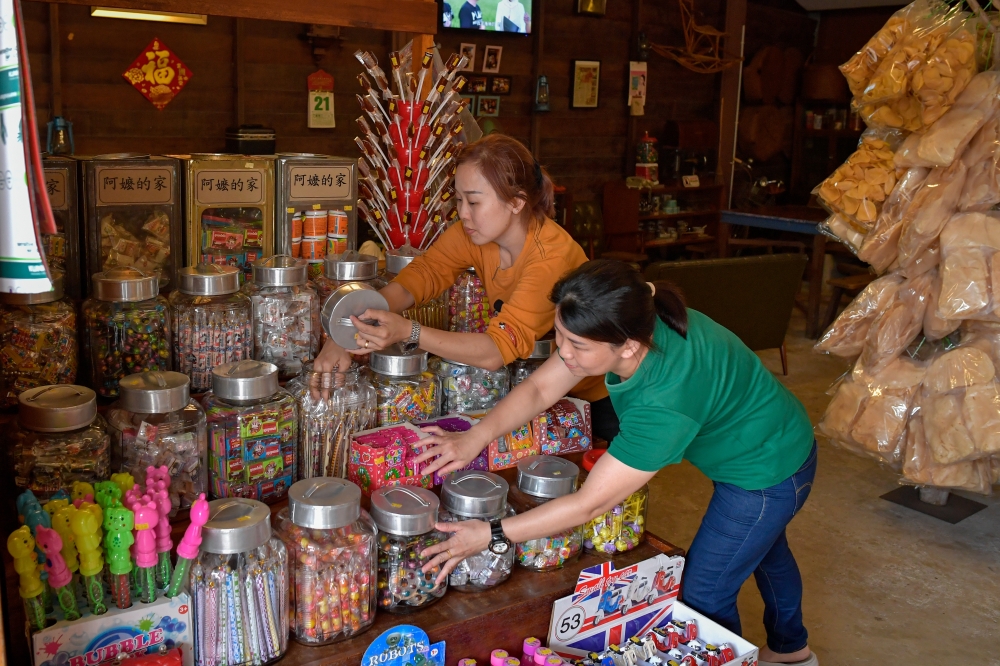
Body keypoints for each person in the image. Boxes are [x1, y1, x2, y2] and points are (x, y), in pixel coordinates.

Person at [415, 260, 820, 666]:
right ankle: (792, 650)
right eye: (559, 334)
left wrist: (491, 534)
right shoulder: (634, 311)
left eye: (577, 345)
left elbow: (588, 504)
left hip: (766, 473)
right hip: (771, 440)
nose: (563, 352)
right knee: (764, 549)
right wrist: (476, 437)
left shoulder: (664, 404)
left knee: (705, 594)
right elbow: (540, 388)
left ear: (627, 346)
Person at [312, 134, 620, 441]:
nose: (463, 212)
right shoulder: (475, 233)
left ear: (516, 202)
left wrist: (409, 331)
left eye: (473, 201)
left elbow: (494, 352)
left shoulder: (549, 258)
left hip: (594, 394)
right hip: (529, 388)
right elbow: (420, 277)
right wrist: (349, 329)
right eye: (458, 200)